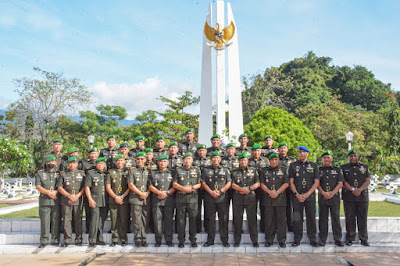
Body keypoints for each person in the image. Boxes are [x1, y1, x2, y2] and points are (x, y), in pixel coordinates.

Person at [289, 146, 320, 247]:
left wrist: (307, 194)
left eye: (304, 152)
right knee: (297, 218)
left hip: (309, 196)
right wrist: (297, 194)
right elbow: (291, 182)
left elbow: (316, 182)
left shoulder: (314, 166)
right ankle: (297, 239)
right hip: (297, 197)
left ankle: (313, 239)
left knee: (311, 218)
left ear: (307, 154)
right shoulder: (293, 166)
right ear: (297, 154)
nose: (302, 154)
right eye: (300, 152)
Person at [201, 151, 232, 247]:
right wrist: (211, 192)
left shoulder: (225, 170)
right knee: (211, 220)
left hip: (222, 199)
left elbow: (229, 182)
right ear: (211, 159)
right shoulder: (206, 170)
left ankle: (225, 240)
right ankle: (210, 240)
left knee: (224, 219)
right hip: (210, 198)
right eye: (214, 158)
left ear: (220, 159)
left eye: (218, 158)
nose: (216, 159)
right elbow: (203, 183)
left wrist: (221, 191)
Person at [341, 149, 370, 246]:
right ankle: (350, 238)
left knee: (362, 218)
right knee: (350, 218)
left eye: (355, 155)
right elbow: (343, 182)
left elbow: (367, 181)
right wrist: (353, 190)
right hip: (349, 196)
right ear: (348, 157)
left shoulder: (364, 167)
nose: (353, 157)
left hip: (362, 196)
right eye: (351, 156)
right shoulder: (343, 168)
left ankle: (364, 238)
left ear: (358, 156)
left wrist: (359, 189)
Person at [259, 153, 289, 248]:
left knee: (281, 220)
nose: (274, 161)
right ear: (269, 161)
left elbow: (286, 183)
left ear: (278, 161)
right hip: (268, 199)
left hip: (280, 198)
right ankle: (269, 240)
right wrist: (270, 192)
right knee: (269, 220)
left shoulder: (283, 170)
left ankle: (282, 240)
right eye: (272, 160)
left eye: (276, 159)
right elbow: (262, 184)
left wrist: (277, 192)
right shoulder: (264, 170)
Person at [173, 152, 202, 248]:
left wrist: (191, 188)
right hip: (181, 199)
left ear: (192, 160)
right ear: (183, 160)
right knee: (181, 221)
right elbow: (174, 183)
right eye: (185, 159)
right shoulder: (178, 170)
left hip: (192, 200)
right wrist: (183, 189)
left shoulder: (197, 170)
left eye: (189, 159)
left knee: (193, 220)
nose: (187, 160)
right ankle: (181, 240)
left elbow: (199, 184)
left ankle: (193, 240)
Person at [231, 152, 260, 247]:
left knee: (252, 219)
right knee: (237, 219)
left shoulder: (253, 170)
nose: (243, 162)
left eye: (245, 160)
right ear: (239, 161)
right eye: (241, 160)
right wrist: (241, 189)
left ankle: (255, 240)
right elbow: (232, 184)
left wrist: (249, 189)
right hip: (238, 199)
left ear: (248, 161)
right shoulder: (234, 171)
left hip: (250, 198)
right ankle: (237, 240)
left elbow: (258, 183)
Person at [57, 156, 85, 247]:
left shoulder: (81, 174)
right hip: (66, 200)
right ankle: (67, 240)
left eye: (74, 163)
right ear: (68, 164)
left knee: (78, 220)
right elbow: (60, 187)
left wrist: (77, 196)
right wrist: (69, 196)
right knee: (66, 220)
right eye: (70, 163)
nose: (72, 164)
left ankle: (79, 239)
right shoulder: (63, 174)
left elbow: (84, 187)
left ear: (77, 164)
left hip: (77, 200)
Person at [318, 151, 344, 247]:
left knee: (336, 219)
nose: (326, 159)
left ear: (331, 159)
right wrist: (324, 193)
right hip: (322, 197)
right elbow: (317, 184)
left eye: (328, 157)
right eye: (324, 158)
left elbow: (340, 183)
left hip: (334, 198)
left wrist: (332, 193)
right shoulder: (319, 170)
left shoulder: (337, 170)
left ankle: (338, 239)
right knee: (323, 219)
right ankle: (322, 239)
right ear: (322, 159)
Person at [149, 154, 176, 247]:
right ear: (158, 162)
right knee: (157, 221)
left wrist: (167, 193)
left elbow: (175, 186)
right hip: (157, 200)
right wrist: (158, 192)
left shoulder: (172, 172)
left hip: (169, 200)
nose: (162, 163)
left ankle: (169, 240)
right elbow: (150, 185)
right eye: (161, 161)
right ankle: (158, 240)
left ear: (167, 162)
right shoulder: (153, 173)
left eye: (164, 161)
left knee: (168, 220)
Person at [36, 155, 61, 248]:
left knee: (56, 220)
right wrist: (48, 193)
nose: (51, 163)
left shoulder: (59, 174)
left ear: (56, 163)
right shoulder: (40, 173)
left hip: (56, 200)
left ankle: (55, 240)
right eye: (49, 162)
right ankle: (44, 241)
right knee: (45, 221)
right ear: (46, 163)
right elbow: (38, 186)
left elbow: (61, 185)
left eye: (53, 162)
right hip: (45, 200)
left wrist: (56, 192)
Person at [106, 154, 130, 246]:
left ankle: (123, 239)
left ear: (124, 161)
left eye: (121, 160)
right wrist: (115, 197)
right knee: (114, 220)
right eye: (118, 161)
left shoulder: (128, 172)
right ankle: (115, 239)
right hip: (113, 200)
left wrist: (122, 196)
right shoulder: (111, 172)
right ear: (115, 162)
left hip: (124, 200)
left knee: (123, 220)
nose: (120, 162)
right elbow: (108, 187)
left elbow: (130, 186)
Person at [128, 152, 151, 247]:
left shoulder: (148, 171)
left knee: (145, 219)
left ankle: (144, 238)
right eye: (138, 159)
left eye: (142, 159)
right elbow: (130, 184)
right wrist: (140, 193)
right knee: (137, 220)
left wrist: (147, 193)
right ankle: (137, 239)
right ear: (135, 161)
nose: (140, 161)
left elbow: (151, 184)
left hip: (146, 198)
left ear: (145, 160)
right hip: (136, 198)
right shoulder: (132, 171)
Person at [84, 157, 108, 247]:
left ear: (105, 165)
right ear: (96, 164)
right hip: (95, 200)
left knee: (101, 221)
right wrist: (90, 199)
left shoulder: (106, 174)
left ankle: (100, 238)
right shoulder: (91, 174)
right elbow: (87, 187)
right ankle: (92, 239)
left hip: (104, 200)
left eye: (102, 163)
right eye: (98, 163)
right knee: (94, 220)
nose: (100, 165)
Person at [248, 144, 269, 233]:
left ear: (261, 151)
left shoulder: (266, 160)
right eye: (255, 150)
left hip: (263, 188)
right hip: (252, 188)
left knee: (264, 208)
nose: (256, 152)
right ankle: (253, 229)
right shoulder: (248, 161)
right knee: (252, 209)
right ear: (252, 152)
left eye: (258, 150)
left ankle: (263, 228)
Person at [277, 142, 296, 232]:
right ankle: (279, 226)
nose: (283, 150)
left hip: (290, 187)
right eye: (281, 148)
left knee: (290, 206)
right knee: (279, 207)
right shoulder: (275, 159)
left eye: (284, 148)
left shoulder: (292, 160)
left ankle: (291, 225)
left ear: (287, 149)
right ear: (278, 150)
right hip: (279, 187)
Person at [193, 144, 211, 233]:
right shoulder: (194, 161)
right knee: (197, 209)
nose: (201, 152)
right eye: (200, 150)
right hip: (197, 188)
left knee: (208, 208)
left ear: (206, 151)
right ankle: (198, 228)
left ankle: (207, 227)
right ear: (197, 152)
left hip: (207, 188)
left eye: (203, 150)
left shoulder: (210, 161)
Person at [82, 147, 100, 234]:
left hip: (99, 192)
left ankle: (97, 231)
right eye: (92, 154)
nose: (94, 155)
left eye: (95, 153)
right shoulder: (85, 164)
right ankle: (88, 229)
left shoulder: (101, 163)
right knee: (88, 212)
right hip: (88, 190)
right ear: (89, 155)